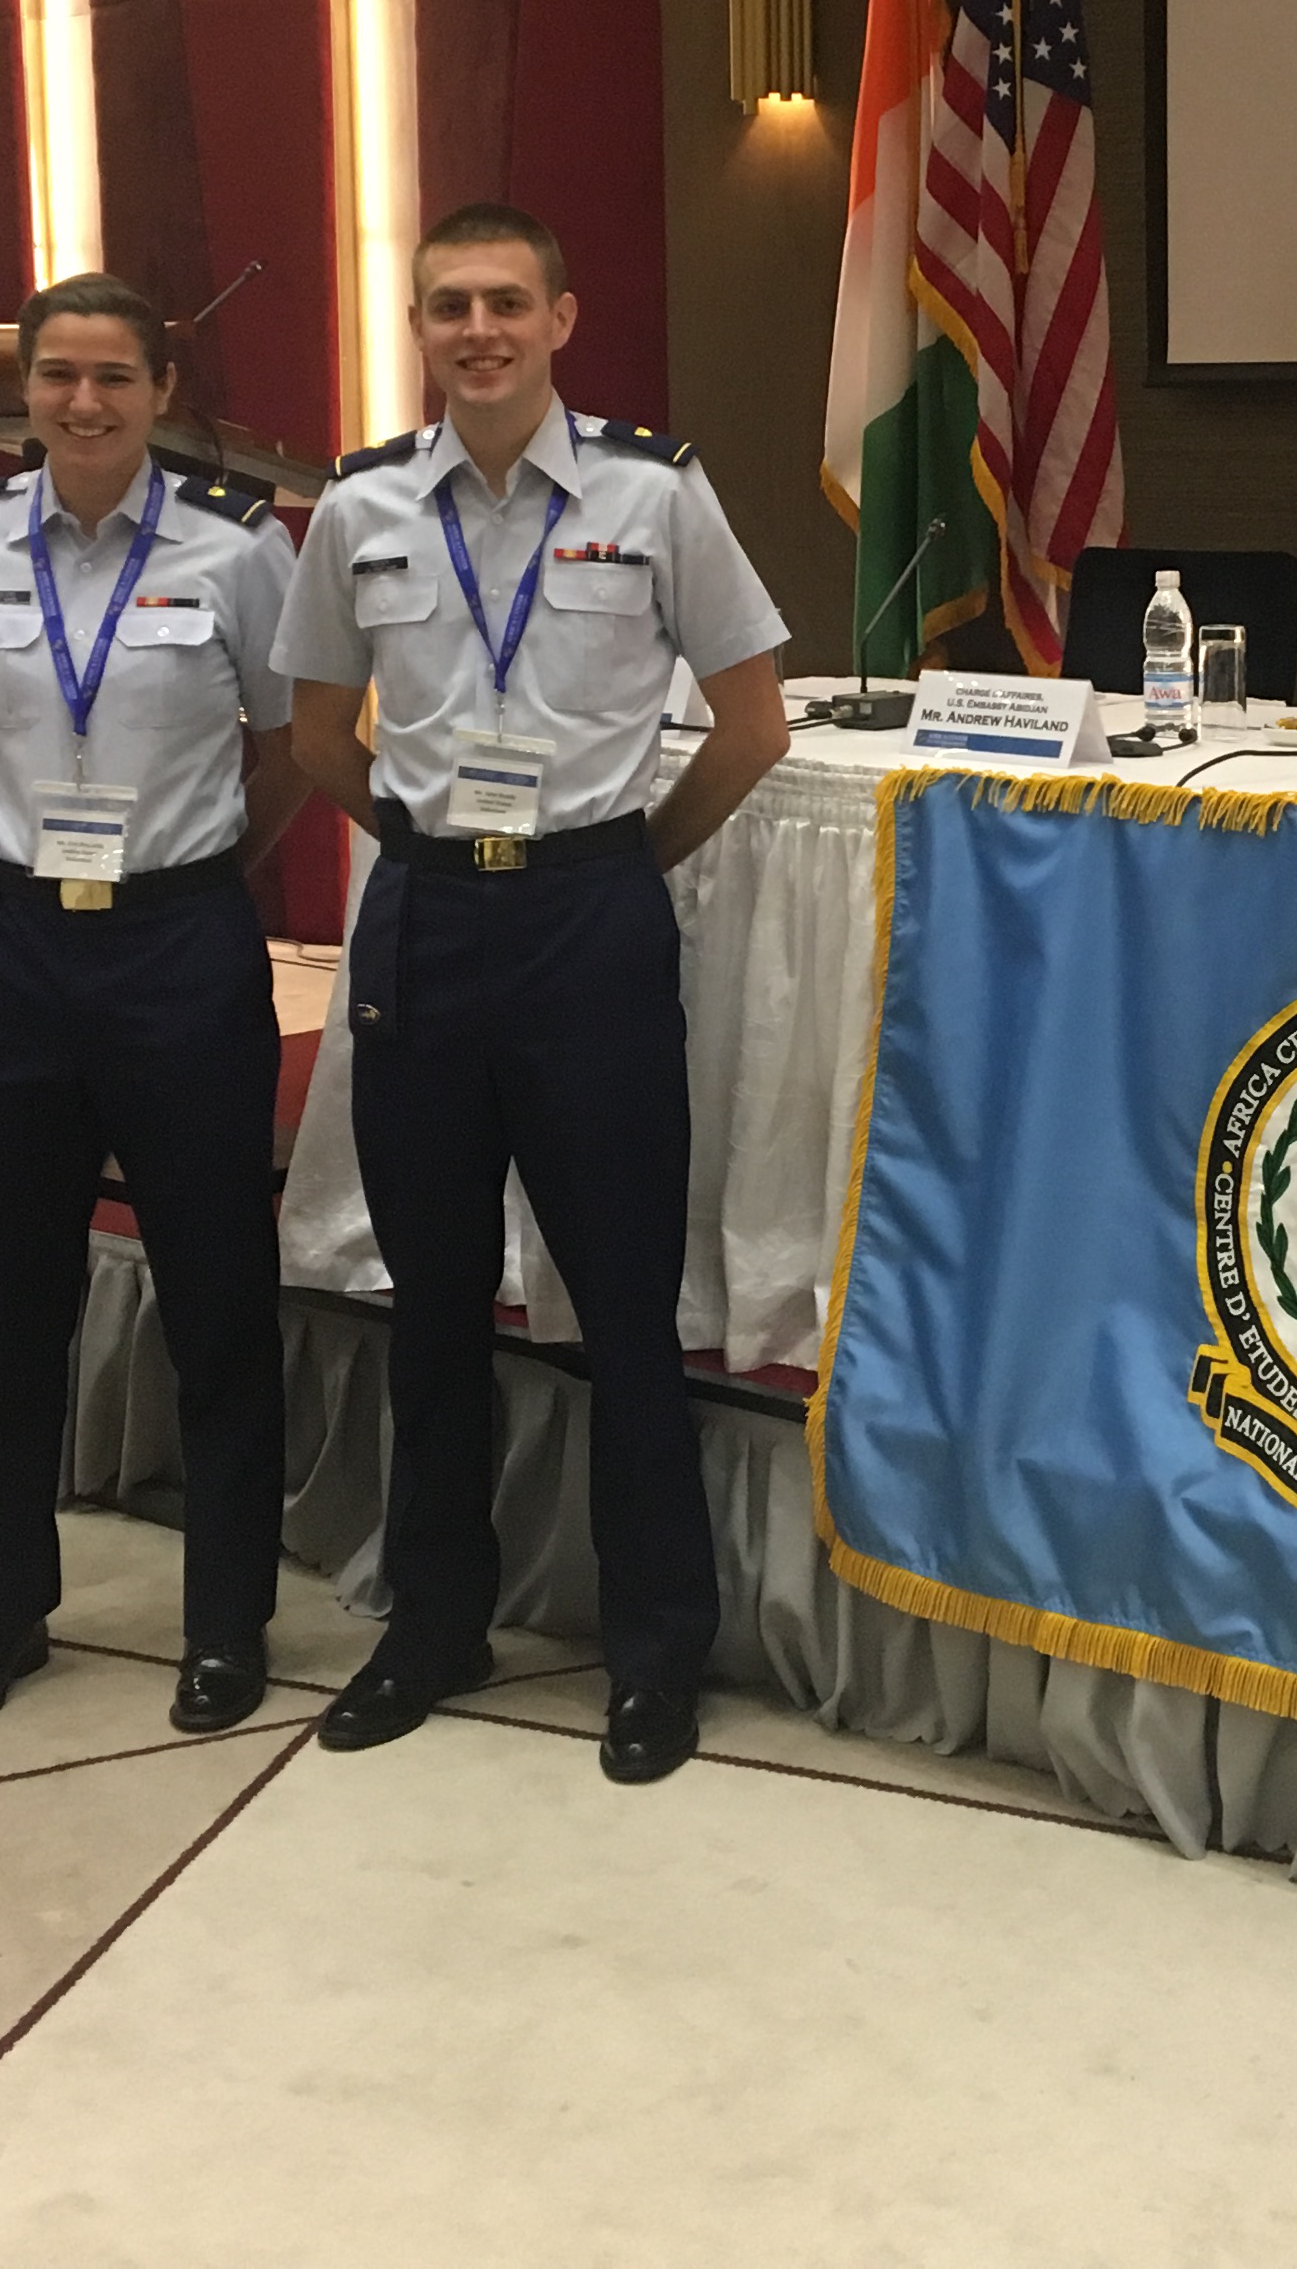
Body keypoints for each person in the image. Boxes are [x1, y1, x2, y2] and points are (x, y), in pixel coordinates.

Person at [280, 201, 793, 1785]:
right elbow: (318, 736)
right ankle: (434, 1623)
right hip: (430, 924)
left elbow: (754, 724)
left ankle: (656, 1651)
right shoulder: (359, 504)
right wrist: (435, 852)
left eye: (507, 301)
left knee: (624, 1306)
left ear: (563, 318)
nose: (479, 330)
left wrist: (620, 864)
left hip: (589, 922)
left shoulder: (655, 493)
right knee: (431, 1302)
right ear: (419, 328)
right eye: (450, 305)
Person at [0, 273, 307, 1737]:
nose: (84, 402)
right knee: (7, 1299)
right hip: (9, 950)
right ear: (22, 392)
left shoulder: (238, 549)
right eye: (57, 376)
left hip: (178, 948)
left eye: (114, 376)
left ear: (161, 391)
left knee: (216, 1296)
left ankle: (226, 1623)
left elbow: (289, 742)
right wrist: (15, 852)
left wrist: (193, 870)